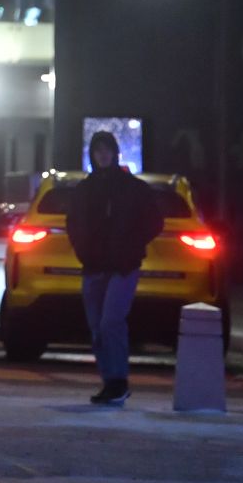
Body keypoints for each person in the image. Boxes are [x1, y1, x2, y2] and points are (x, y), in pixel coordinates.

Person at [65, 130, 164, 407]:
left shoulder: (132, 188)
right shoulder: (85, 189)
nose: (103, 155)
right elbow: (73, 222)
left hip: (123, 267)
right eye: (98, 150)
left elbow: (154, 222)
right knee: (98, 327)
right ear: (92, 155)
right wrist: (82, 249)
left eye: (107, 149)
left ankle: (118, 381)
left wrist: (131, 246)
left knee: (111, 321)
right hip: (94, 266)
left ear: (115, 152)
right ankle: (110, 382)